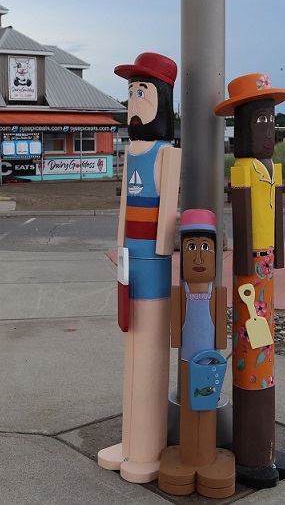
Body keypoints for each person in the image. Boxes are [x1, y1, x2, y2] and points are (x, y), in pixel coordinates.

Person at [97, 52, 181, 484]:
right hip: (130, 259)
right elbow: (124, 206)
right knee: (131, 340)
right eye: (130, 92)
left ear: (163, 98)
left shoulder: (168, 153)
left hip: (153, 263)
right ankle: (129, 443)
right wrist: (119, 249)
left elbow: (168, 212)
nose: (133, 101)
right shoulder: (132, 152)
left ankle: (147, 447)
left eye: (142, 91)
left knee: (147, 343)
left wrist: (160, 252)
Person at [214, 73, 285, 488]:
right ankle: (251, 452)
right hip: (252, 273)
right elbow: (245, 217)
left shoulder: (272, 169)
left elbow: (276, 217)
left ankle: (263, 449)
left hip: (266, 269)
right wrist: (250, 266)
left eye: (271, 121)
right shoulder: (244, 169)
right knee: (254, 346)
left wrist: (276, 257)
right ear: (243, 126)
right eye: (260, 121)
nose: (268, 130)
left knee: (265, 347)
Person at [158, 209, 234, 498]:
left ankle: (207, 456)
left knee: (206, 406)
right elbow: (175, 336)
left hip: (210, 361)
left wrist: (214, 351)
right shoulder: (180, 293)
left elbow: (221, 339)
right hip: (189, 362)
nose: (199, 257)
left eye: (206, 247)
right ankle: (190, 456)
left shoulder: (218, 293)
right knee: (191, 407)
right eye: (191, 247)